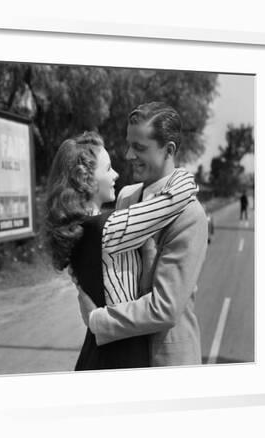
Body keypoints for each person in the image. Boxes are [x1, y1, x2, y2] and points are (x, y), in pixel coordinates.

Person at [44, 130, 198, 370]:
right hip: (119, 357)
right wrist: (181, 173)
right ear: (85, 176)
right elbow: (174, 199)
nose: (116, 174)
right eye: (108, 169)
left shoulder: (78, 228)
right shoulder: (108, 229)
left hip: (99, 351)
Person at [76, 102, 209, 367]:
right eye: (129, 144)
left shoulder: (190, 215)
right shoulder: (126, 196)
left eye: (139, 147)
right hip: (122, 355)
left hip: (164, 362)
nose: (127, 155)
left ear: (168, 150)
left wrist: (98, 320)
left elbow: (165, 307)